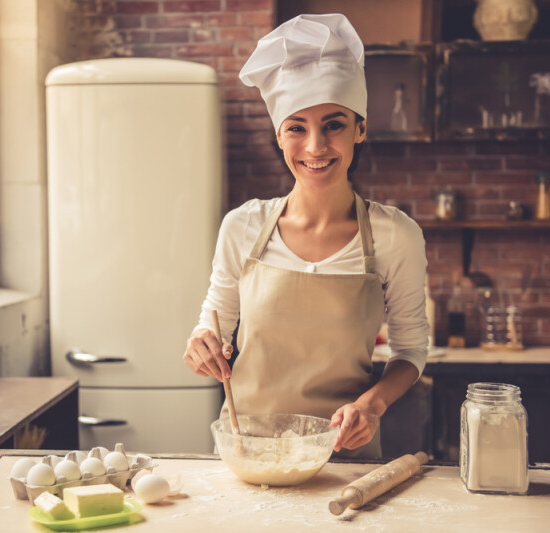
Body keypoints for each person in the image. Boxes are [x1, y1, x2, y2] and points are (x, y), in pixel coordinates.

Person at [182, 14, 429, 459]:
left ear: (361, 129)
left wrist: (372, 405)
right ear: (279, 135)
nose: (315, 146)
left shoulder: (396, 237)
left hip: (345, 455)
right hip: (248, 451)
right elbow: (215, 322)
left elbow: (410, 352)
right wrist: (202, 343)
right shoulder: (243, 227)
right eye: (297, 127)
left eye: (333, 124)